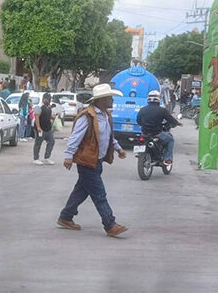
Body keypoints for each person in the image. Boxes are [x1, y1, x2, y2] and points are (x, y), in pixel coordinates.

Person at [58, 84, 128, 237]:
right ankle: (110, 224)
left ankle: (65, 217)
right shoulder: (87, 116)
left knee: (81, 191)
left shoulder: (105, 115)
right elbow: (75, 137)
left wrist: (118, 148)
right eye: (109, 98)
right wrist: (69, 155)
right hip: (87, 161)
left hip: (97, 161)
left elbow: (108, 136)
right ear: (101, 100)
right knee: (99, 194)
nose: (112, 100)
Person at [136, 90, 181, 165]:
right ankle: (168, 159)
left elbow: (138, 121)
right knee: (170, 140)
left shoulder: (142, 109)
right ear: (158, 99)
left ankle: (141, 153)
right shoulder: (162, 110)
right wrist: (177, 123)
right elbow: (170, 119)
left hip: (144, 133)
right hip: (157, 133)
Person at [33, 93, 56, 165]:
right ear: (44, 99)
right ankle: (36, 158)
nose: (49, 101)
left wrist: (52, 117)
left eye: (50, 99)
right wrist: (38, 127)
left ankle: (47, 157)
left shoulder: (48, 107)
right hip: (41, 128)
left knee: (51, 141)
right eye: (48, 99)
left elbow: (48, 116)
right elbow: (37, 117)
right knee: (38, 143)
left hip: (48, 128)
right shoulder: (39, 107)